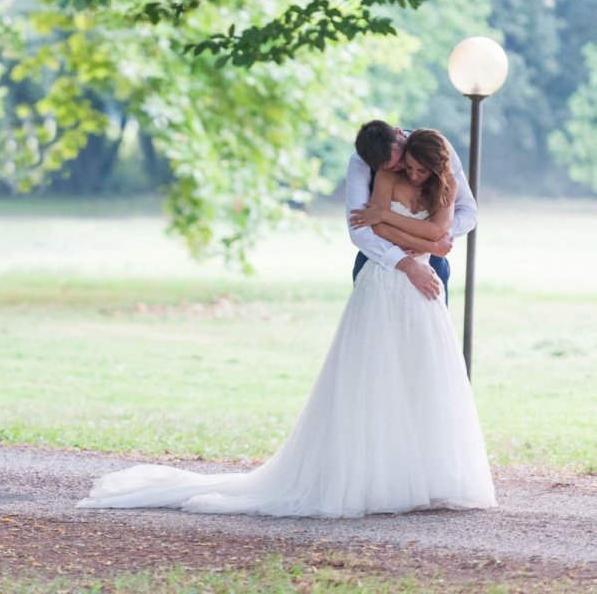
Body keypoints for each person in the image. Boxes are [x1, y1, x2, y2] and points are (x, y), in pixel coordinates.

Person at [76, 129, 496, 518]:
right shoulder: (371, 168)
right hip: (385, 270)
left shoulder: (438, 158)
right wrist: (408, 252)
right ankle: (373, 476)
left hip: (426, 269)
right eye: (396, 166)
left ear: (405, 141)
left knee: (424, 369)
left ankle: (427, 474)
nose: (405, 170)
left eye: (407, 163)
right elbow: (361, 230)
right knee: (372, 372)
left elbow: (453, 224)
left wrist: (411, 232)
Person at [348, 120, 478, 303]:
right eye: (392, 168)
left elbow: (468, 211)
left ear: (399, 133)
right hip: (381, 260)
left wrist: (440, 236)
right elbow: (361, 229)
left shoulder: (437, 148)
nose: (406, 170)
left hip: (432, 262)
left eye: (401, 157)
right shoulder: (361, 163)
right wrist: (410, 262)